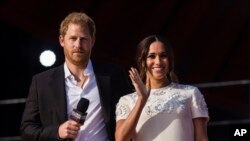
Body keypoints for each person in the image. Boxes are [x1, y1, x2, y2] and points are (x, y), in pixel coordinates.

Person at [20, 12, 132, 141]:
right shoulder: (41, 82)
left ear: (92, 41)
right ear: (62, 40)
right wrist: (57, 132)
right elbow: (26, 130)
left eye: (83, 39)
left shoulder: (113, 75)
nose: (78, 45)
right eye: (73, 38)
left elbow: (133, 116)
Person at [115, 35, 209, 141]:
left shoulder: (190, 93)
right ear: (142, 61)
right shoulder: (127, 101)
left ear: (170, 60)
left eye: (163, 56)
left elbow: (202, 138)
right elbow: (121, 139)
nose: (158, 62)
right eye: (151, 56)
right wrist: (142, 100)